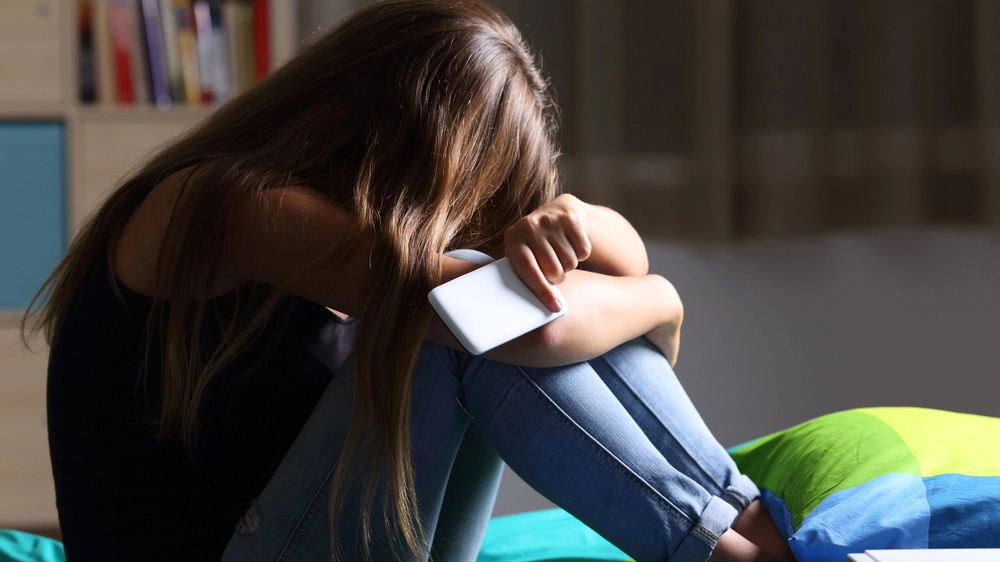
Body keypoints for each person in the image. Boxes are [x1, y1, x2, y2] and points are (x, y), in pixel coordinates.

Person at [23, 1, 796, 561]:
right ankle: (731, 547)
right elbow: (531, 327)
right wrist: (664, 299)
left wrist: (574, 220)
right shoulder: (226, 205)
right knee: (466, 320)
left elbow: (605, 267)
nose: (462, 221)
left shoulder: (366, 226)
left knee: (485, 300)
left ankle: (745, 521)